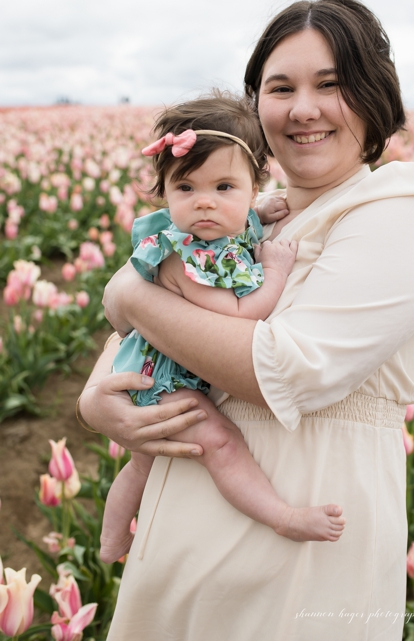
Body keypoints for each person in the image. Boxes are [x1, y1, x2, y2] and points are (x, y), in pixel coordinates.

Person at [77, 0, 414, 639]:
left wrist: (131, 294)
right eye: (281, 88)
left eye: (331, 85)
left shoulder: (403, 205)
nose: (303, 108)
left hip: (303, 546)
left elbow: (288, 368)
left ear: (375, 96)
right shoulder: (247, 221)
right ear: (257, 107)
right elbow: (157, 338)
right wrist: (96, 399)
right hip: (181, 537)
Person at [99, 93, 344, 565]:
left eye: (225, 187)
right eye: (185, 188)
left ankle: (112, 540)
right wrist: (274, 271)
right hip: (163, 378)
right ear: (164, 193)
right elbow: (236, 314)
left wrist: (260, 216)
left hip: (175, 368)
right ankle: (281, 516)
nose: (205, 203)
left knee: (142, 463)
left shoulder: (225, 231)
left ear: (254, 188)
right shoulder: (177, 254)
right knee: (221, 444)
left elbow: (240, 227)